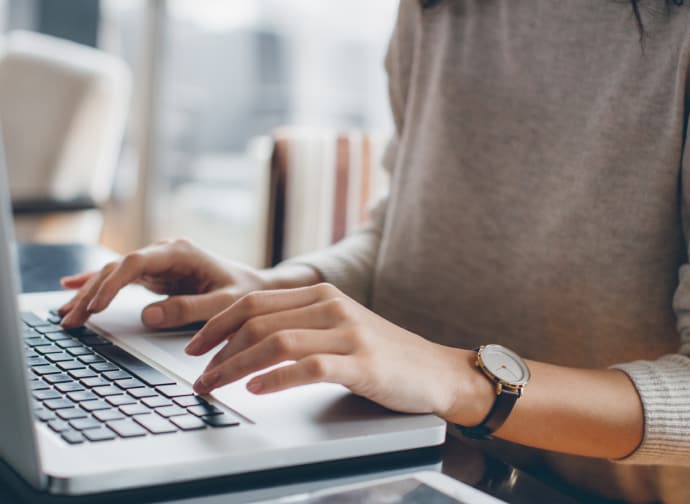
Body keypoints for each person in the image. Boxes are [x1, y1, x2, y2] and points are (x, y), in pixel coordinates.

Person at [59, 1, 690, 502]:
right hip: (410, 463)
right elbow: (399, 234)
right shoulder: (435, 8)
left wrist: (459, 378)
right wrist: (272, 290)